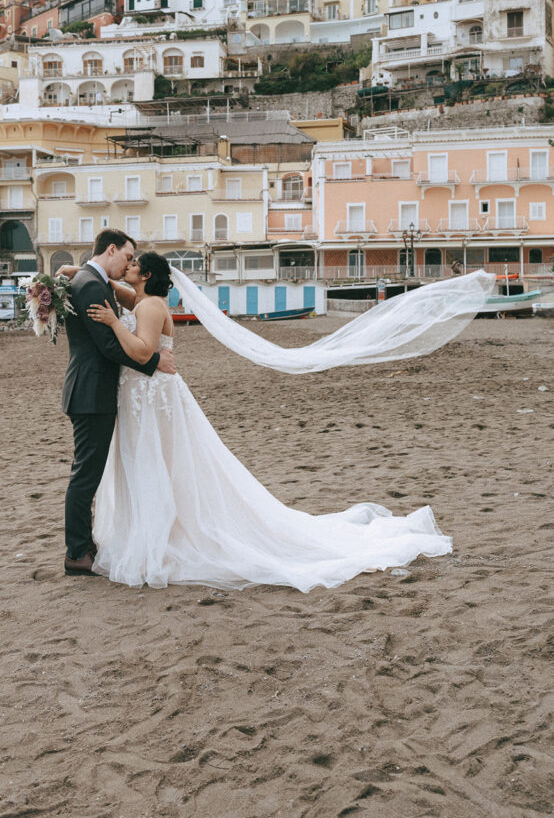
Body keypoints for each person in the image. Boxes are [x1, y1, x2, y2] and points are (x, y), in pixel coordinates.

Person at [82, 251, 452, 592]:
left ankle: (164, 535)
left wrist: (114, 322)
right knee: (164, 465)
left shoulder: (148, 307)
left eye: (132, 266)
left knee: (158, 465)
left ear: (145, 275)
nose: (126, 267)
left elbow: (143, 351)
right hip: (150, 398)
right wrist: (82, 273)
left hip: (152, 399)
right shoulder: (146, 300)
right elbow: (123, 293)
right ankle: (162, 530)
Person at [60, 230, 176, 578]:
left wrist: (70, 270)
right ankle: (77, 553)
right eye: (127, 256)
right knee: (86, 476)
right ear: (110, 250)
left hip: (97, 391)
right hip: (92, 393)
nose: (129, 263)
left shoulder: (96, 282)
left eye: (134, 263)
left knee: (93, 472)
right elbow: (110, 348)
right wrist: (154, 363)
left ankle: (83, 547)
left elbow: (125, 303)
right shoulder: (92, 284)